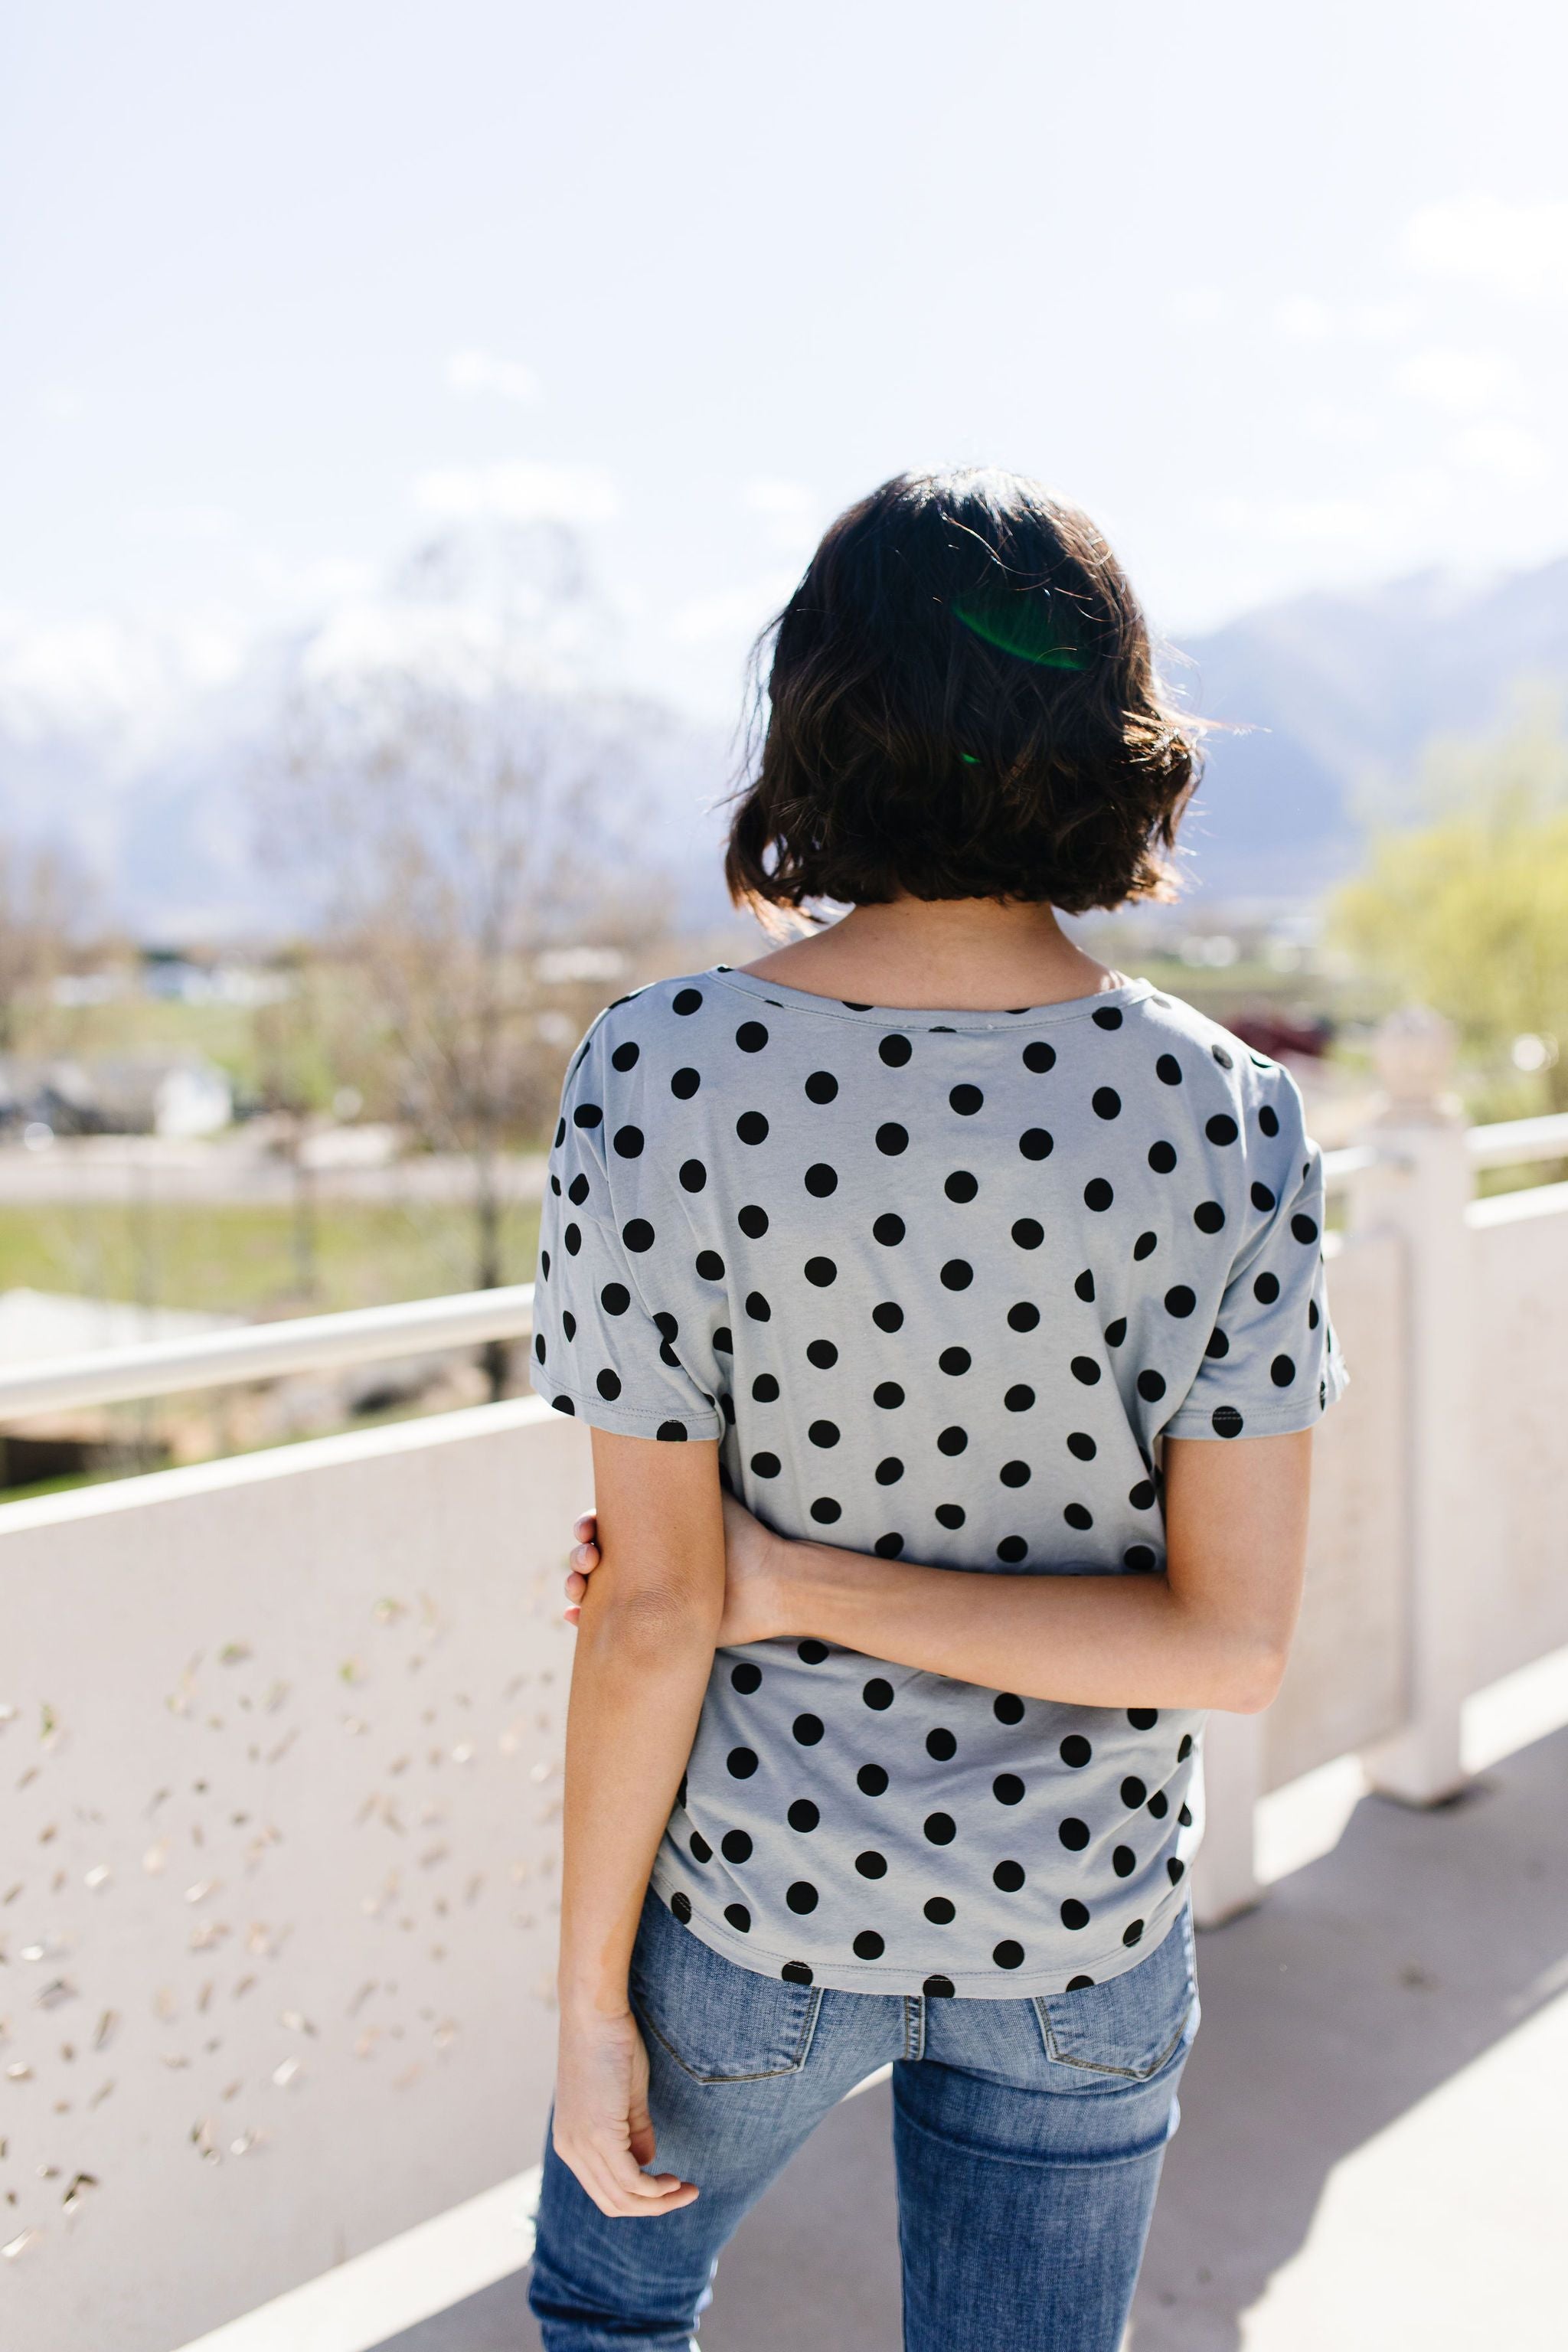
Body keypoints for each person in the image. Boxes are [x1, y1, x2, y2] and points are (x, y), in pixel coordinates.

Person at [525, 467, 1346, 2352]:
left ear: (813, 715)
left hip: (754, 1918)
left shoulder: (658, 1075)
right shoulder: (1224, 1114)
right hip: (1080, 1936)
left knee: (610, 2305)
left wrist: (588, 2003)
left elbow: (655, 1608)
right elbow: (1229, 1644)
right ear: (1107, 737)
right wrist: (784, 1581)